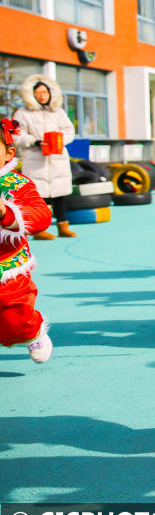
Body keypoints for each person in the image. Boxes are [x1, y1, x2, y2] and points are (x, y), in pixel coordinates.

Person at [0, 118, 54, 362]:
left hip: (8, 268)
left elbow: (41, 215)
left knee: (14, 322)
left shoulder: (17, 184)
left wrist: (6, 213)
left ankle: (33, 331)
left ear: (9, 153)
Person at [12, 74, 76, 240]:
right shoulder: (23, 113)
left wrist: (58, 140)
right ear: (32, 94)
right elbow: (16, 134)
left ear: (50, 93)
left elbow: (69, 130)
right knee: (40, 197)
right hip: (35, 160)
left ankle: (63, 226)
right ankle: (39, 230)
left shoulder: (58, 112)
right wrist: (34, 142)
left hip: (57, 159)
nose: (42, 95)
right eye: (38, 92)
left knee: (60, 194)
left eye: (45, 92)